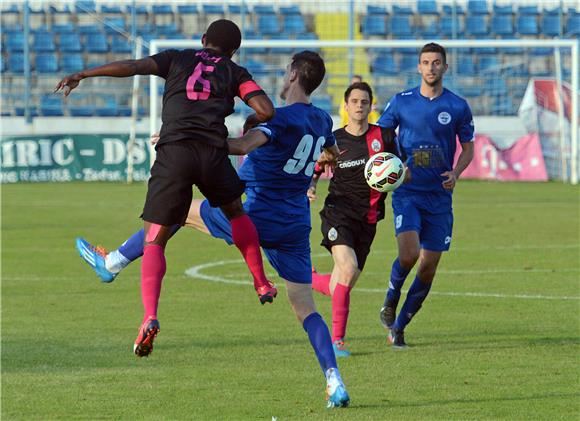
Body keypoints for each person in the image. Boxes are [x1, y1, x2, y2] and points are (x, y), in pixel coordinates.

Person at [75, 51, 350, 408]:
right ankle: (334, 382)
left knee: (175, 211)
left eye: (286, 72)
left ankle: (112, 262)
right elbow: (333, 151)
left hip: (256, 211)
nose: (282, 78)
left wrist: (181, 140)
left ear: (295, 75)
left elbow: (242, 144)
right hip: (294, 222)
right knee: (306, 308)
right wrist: (322, 159)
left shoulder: (280, 119)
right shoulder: (321, 120)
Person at [57, 19, 278, 359]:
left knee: (156, 237)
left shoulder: (178, 58)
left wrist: (84, 75)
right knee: (236, 212)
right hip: (212, 152)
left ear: (203, 40)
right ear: (234, 50)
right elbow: (266, 110)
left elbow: (132, 67)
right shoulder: (236, 71)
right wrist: (236, 124)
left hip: (174, 151)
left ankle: (149, 316)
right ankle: (261, 282)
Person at [377, 43, 475, 348]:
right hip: (408, 192)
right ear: (418, 67)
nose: (430, 68)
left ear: (445, 68)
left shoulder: (457, 106)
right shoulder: (401, 102)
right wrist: (392, 166)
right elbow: (381, 137)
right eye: (425, 62)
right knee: (408, 254)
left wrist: (456, 173)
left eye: (436, 63)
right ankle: (391, 299)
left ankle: (400, 325)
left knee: (428, 266)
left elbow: (468, 145)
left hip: (439, 196)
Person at [307, 82, 400, 357]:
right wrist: (311, 185)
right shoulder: (333, 140)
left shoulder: (384, 136)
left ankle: (306, 277)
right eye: (354, 101)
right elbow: (316, 168)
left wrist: (398, 176)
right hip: (338, 212)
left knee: (340, 284)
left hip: (368, 219)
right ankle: (337, 342)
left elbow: (400, 166)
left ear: (371, 106)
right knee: (347, 269)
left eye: (364, 102)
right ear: (345, 106)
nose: (359, 106)